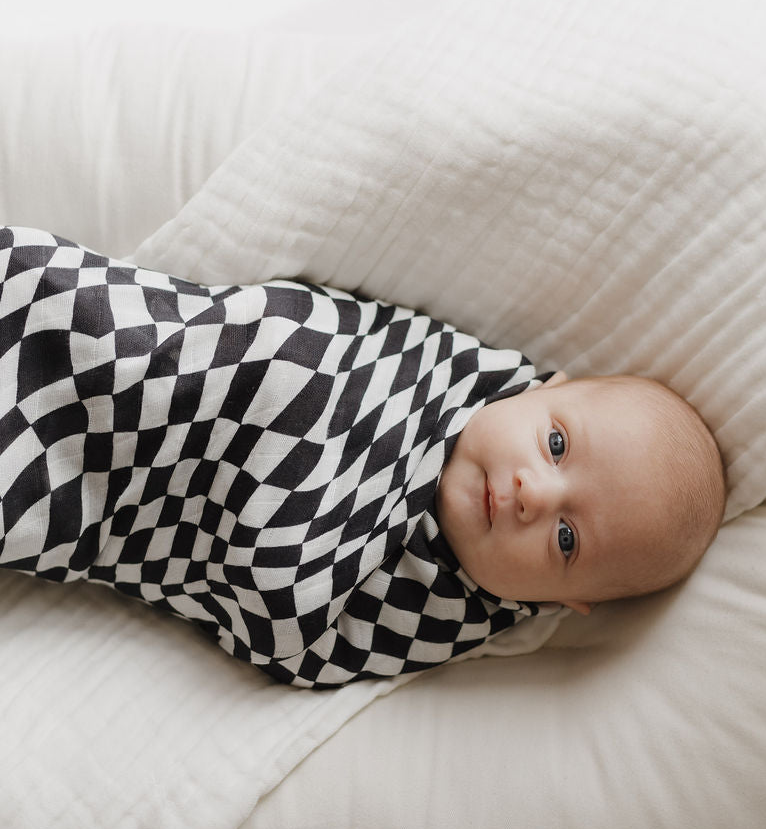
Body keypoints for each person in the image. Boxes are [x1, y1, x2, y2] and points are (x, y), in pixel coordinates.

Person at [0, 225, 725, 689]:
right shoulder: (456, 374)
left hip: (113, 489)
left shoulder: (444, 611)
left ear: (565, 602)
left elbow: (294, 638)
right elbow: (332, 327)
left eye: (566, 539)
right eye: (557, 444)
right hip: (144, 346)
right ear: (548, 387)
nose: (535, 493)